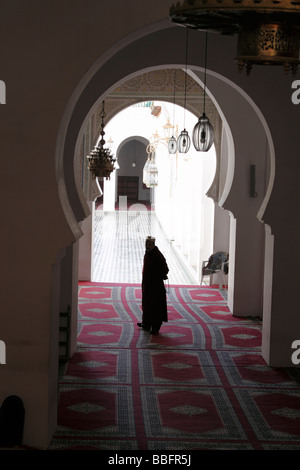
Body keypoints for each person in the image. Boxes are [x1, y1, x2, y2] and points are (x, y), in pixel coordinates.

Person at [137, 236, 169, 334]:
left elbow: (165, 269)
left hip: (156, 287)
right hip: (147, 286)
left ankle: (155, 327)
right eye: (146, 244)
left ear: (153, 245)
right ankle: (146, 324)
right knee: (147, 305)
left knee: (156, 307)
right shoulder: (148, 254)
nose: (147, 246)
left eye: (149, 244)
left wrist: (159, 276)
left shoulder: (157, 255)